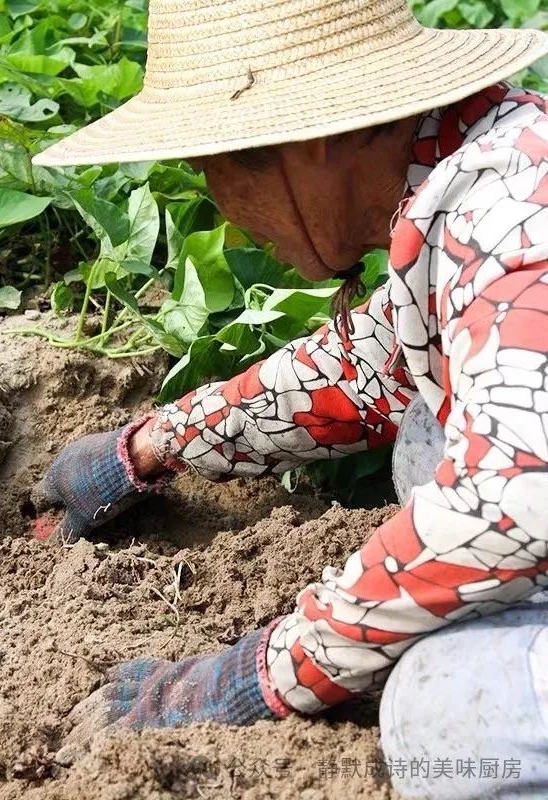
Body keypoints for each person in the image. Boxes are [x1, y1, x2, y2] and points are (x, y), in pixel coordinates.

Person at [31, 0, 548, 796]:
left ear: (307, 141)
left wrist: (266, 669)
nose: (224, 213)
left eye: (216, 168)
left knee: (448, 714)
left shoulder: (509, 217)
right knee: (427, 424)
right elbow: (372, 366)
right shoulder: (481, 171)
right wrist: (149, 445)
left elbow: (514, 503)